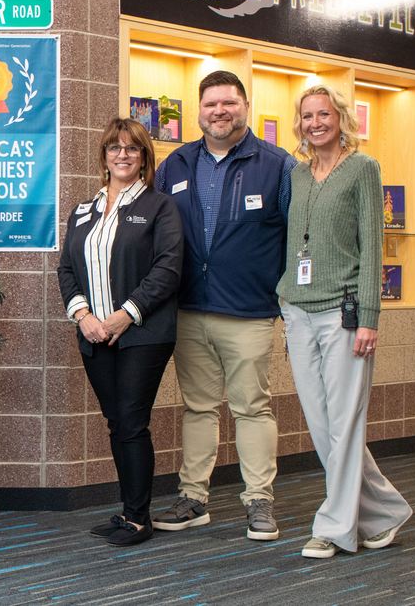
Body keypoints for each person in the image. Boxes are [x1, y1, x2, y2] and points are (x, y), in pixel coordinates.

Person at [151, 70, 296, 541]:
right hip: (189, 308)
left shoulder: (277, 165)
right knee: (197, 408)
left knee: (252, 408)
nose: (220, 111)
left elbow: (298, 239)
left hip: (249, 312)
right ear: (199, 110)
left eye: (229, 103)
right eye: (211, 104)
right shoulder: (176, 164)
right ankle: (194, 499)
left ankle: (259, 502)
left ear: (245, 107)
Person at [277, 85, 412, 559]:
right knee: (322, 426)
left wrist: (370, 317)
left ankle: (334, 528)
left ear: (340, 117)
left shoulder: (363, 169)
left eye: (324, 114)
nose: (316, 123)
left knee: (345, 425)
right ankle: (385, 511)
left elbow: (373, 247)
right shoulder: (296, 174)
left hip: (344, 313)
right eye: (307, 115)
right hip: (297, 309)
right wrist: (284, 296)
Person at [57, 118, 183, 546]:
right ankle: (129, 509)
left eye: (132, 148)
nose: (123, 155)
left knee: (131, 422)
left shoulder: (159, 206)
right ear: (104, 156)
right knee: (116, 422)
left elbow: (167, 268)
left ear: (144, 157)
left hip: (142, 334)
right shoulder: (83, 209)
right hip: (93, 334)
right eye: (115, 148)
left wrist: (124, 315)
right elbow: (67, 269)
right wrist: (83, 316)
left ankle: (139, 518)